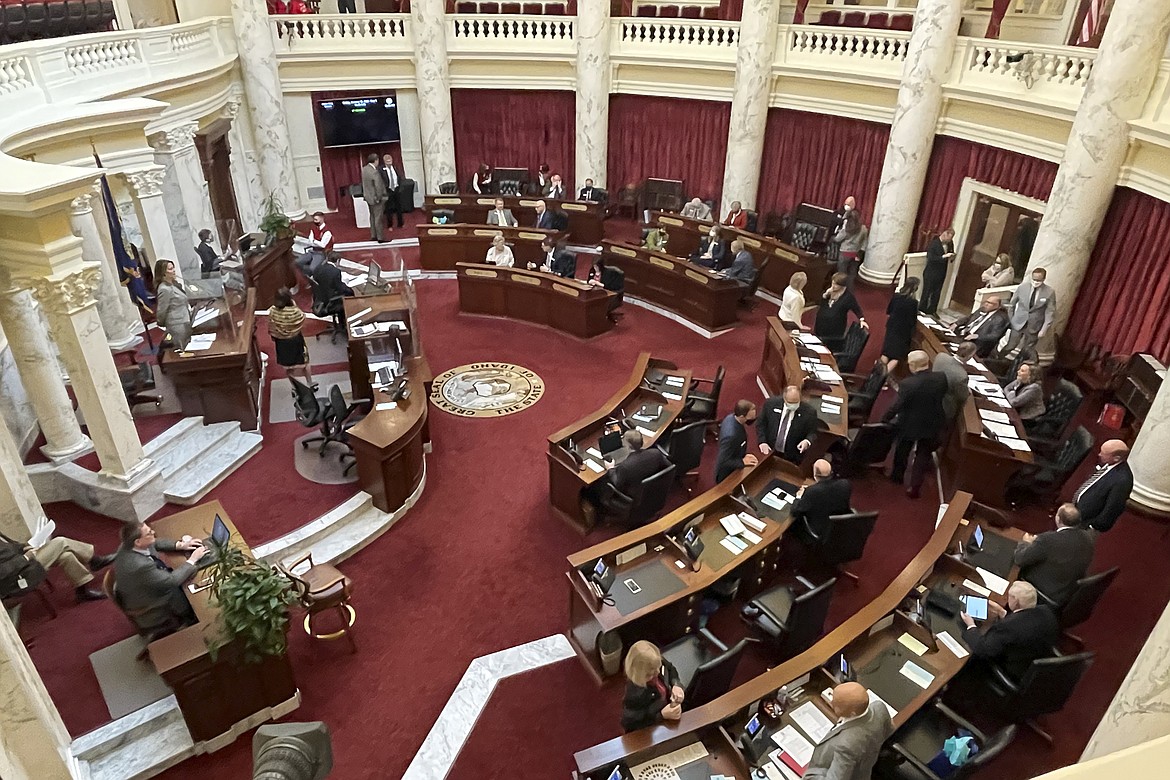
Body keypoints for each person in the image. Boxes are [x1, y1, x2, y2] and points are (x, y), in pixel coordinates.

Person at [113, 521, 207, 635]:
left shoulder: (128, 545)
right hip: (152, 603)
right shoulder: (139, 566)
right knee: (196, 593)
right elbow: (172, 581)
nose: (153, 532)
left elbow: (154, 543)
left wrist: (181, 545)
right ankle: (191, 619)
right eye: (149, 533)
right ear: (138, 541)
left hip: (145, 585)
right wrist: (192, 560)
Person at [961, 580, 1060, 681]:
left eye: (1009, 596)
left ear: (1016, 601)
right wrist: (1002, 612)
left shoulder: (1008, 627)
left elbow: (983, 649)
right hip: (1037, 659)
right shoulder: (1047, 611)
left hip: (1016, 670)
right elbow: (1023, 623)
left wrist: (971, 626)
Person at [883, 350, 948, 498]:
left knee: (902, 450)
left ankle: (897, 477)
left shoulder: (908, 384)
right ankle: (914, 487)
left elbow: (897, 405)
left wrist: (885, 418)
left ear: (913, 365)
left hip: (910, 423)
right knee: (923, 455)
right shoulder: (941, 378)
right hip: (932, 421)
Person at [803, 681, 893, 780]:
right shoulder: (879, 707)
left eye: (837, 704)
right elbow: (890, 733)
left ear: (852, 713)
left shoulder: (846, 745)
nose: (831, 703)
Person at [0, 530, 115, 603]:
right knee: (60, 542)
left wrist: (25, 547)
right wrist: (25, 558)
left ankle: (82, 590)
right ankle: (94, 560)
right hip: (17, 577)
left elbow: (11, 547)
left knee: (66, 556)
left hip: (25, 565)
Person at [1014, 504, 1095, 605]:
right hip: (1064, 593)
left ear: (1058, 519)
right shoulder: (1088, 539)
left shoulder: (1048, 539)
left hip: (1040, 593)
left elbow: (1020, 559)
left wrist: (1025, 542)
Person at [1072, 439, 1133, 535]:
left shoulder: (1122, 481)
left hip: (1085, 526)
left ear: (1116, 458)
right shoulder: (1109, 463)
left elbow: (1112, 509)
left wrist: (1093, 525)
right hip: (1077, 516)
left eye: (1104, 453)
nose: (1099, 454)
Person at [620, 640, 683, 732]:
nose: (657, 672)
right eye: (650, 674)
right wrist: (661, 715)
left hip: (666, 708)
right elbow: (631, 725)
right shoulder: (634, 696)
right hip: (654, 729)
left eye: (659, 667)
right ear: (639, 675)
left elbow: (670, 668)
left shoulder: (655, 663)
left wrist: (676, 685)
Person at [1001, 267, 1056, 357]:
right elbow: (1012, 305)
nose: (1036, 282)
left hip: (1034, 326)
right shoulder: (1022, 287)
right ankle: (998, 358)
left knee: (1027, 350)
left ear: (1044, 279)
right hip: (1018, 322)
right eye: (1034, 279)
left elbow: (1050, 312)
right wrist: (1012, 319)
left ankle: (1017, 366)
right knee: (1011, 345)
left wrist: (1044, 329)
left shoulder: (1049, 292)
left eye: (1039, 280)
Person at [757, 385, 818, 464]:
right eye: (790, 402)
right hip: (770, 450)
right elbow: (761, 423)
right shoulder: (770, 404)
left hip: (792, 455)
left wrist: (807, 441)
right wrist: (762, 441)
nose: (793, 405)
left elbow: (812, 432)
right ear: (784, 398)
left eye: (796, 402)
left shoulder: (809, 412)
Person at [791, 459, 852, 539]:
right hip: (842, 525)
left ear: (815, 475)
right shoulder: (845, 484)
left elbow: (795, 511)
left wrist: (799, 496)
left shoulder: (812, 492)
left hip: (822, 531)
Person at [268, 287, 312, 387]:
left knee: (288, 368)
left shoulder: (273, 311)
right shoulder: (294, 312)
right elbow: (302, 318)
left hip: (282, 343)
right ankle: (310, 382)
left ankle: (295, 387)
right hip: (295, 341)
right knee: (305, 363)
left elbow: (271, 326)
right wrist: (294, 305)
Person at [814, 273, 867, 353]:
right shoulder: (829, 292)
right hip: (820, 326)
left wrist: (861, 319)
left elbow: (857, 309)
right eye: (833, 283)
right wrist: (825, 295)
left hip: (834, 330)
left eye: (836, 284)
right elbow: (821, 305)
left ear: (842, 286)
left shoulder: (848, 297)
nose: (833, 286)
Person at [608, 430, 670, 497]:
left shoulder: (625, 466)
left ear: (627, 445)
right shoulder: (656, 453)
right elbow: (668, 467)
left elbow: (617, 484)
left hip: (636, 495)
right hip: (655, 488)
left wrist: (610, 468)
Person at [880, 278, 920, 381]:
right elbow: (912, 320)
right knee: (896, 357)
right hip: (903, 331)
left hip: (892, 326)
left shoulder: (896, 296)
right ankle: (880, 379)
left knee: (886, 352)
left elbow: (888, 311)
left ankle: (877, 373)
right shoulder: (913, 302)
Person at [715, 400, 759, 483]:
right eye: (750, 418)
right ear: (742, 416)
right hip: (727, 474)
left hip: (736, 455)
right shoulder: (731, 436)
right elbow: (724, 461)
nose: (753, 420)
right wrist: (742, 461)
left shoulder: (731, 417)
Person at [153, 259, 193, 350]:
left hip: (185, 321)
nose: (174, 270)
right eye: (170, 269)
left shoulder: (174, 284)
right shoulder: (164, 289)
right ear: (163, 273)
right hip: (176, 325)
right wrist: (162, 323)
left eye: (173, 268)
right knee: (182, 349)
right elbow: (161, 310)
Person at [933, 340, 976, 421]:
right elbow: (962, 397)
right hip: (944, 409)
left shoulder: (941, 356)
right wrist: (967, 391)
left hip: (930, 397)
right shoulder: (962, 376)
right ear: (970, 357)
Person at [920, 227, 955, 315]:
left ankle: (932, 310)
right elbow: (931, 258)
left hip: (941, 272)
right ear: (944, 234)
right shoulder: (934, 244)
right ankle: (921, 309)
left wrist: (951, 257)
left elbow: (951, 252)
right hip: (931, 272)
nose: (949, 241)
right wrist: (943, 257)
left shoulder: (950, 243)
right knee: (926, 292)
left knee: (937, 293)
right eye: (949, 238)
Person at [832, 210, 868, 287]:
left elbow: (838, 239)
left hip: (845, 253)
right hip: (856, 254)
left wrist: (836, 234)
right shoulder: (863, 228)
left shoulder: (847, 229)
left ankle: (841, 288)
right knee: (852, 274)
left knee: (842, 274)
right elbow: (865, 243)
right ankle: (850, 289)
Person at [360, 152, 388, 242]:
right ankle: (380, 237)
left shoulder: (364, 169)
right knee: (378, 218)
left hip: (368, 197)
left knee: (372, 216)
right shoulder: (374, 172)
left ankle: (373, 235)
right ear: (376, 160)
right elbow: (378, 186)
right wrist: (379, 197)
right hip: (376, 199)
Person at [296, 212, 334, 276]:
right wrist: (315, 242)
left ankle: (313, 278)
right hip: (312, 250)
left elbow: (322, 245)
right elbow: (310, 239)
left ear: (322, 219)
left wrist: (314, 241)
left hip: (321, 253)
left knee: (312, 268)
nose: (315, 221)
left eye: (316, 220)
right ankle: (305, 276)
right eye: (314, 220)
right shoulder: (313, 228)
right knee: (298, 262)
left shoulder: (327, 232)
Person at [381, 153, 405, 230]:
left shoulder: (395, 167)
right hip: (388, 191)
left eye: (390, 161)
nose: (389, 162)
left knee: (399, 207)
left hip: (396, 189)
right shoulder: (381, 170)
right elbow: (381, 181)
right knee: (389, 209)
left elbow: (399, 177)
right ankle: (390, 225)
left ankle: (400, 224)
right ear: (384, 161)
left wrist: (400, 187)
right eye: (387, 161)